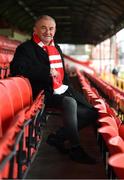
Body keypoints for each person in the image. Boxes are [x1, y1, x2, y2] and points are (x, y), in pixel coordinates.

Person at [10, 15, 99, 164]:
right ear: (35, 30)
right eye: (43, 28)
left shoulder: (56, 47)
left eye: (51, 28)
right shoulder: (25, 48)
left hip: (61, 89)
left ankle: (57, 138)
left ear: (55, 30)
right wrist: (46, 71)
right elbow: (17, 69)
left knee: (91, 113)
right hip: (42, 91)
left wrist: (70, 89)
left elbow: (63, 73)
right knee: (70, 103)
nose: (47, 32)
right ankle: (75, 149)